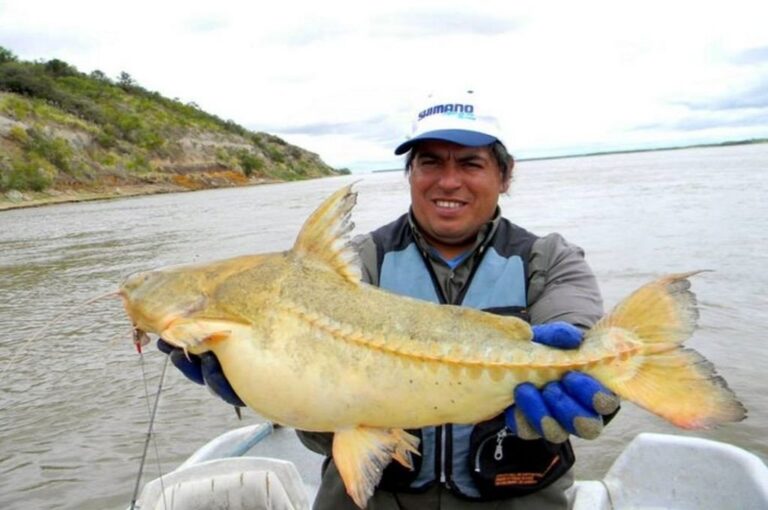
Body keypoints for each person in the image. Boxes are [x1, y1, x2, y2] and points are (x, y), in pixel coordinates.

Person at [159, 89, 620, 509]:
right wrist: (260, 382)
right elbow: (321, 401)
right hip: (374, 498)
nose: (449, 181)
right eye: (430, 162)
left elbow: (581, 336)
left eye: (471, 164)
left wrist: (596, 392)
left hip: (516, 496)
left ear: (505, 175)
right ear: (410, 174)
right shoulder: (358, 264)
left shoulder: (549, 258)